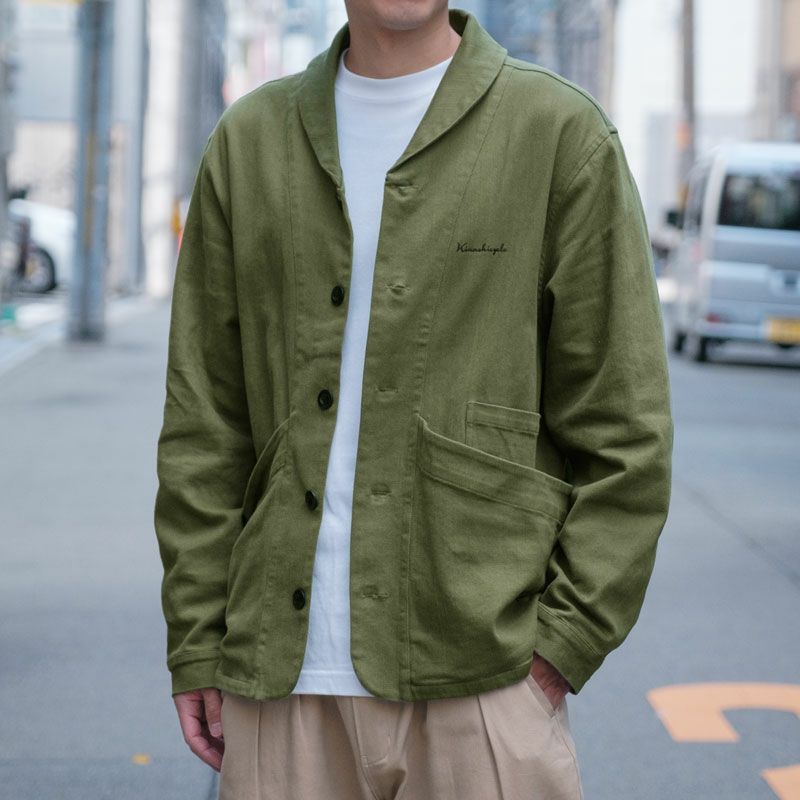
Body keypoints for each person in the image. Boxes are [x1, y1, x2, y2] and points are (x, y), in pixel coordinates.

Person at [153, 3, 674, 798]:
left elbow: (626, 430)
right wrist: (196, 638)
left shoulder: (558, 134)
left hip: (485, 676)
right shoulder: (250, 141)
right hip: (278, 677)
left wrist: (562, 644)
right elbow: (205, 424)